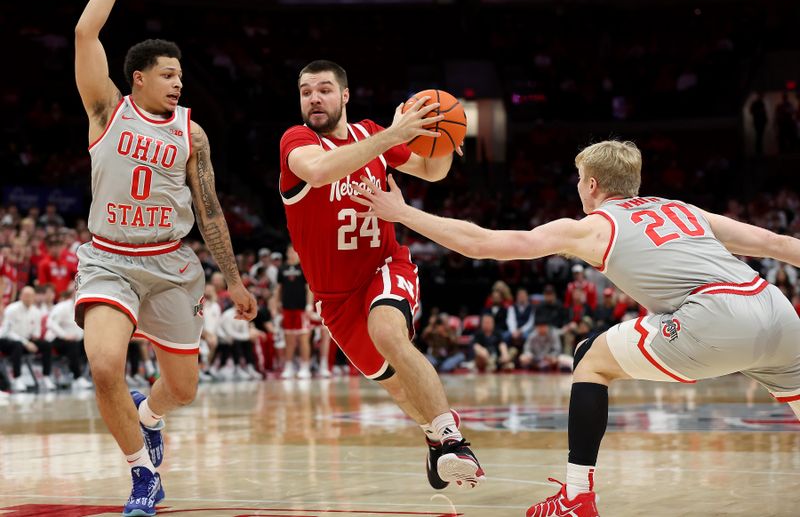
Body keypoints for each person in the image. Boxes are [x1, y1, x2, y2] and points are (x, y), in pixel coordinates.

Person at [353, 139, 800, 516]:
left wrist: (404, 214)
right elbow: (776, 244)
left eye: (579, 180)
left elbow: (484, 243)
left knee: (590, 358)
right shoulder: (683, 210)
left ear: (591, 184)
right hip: (775, 309)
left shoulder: (594, 226)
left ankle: (576, 497)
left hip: (714, 317)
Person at [74, 0, 257, 515]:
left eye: (181, 75)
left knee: (182, 389)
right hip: (109, 259)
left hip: (171, 264)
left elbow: (211, 210)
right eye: (168, 74)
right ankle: (141, 476)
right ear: (139, 77)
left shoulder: (191, 134)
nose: (178, 83)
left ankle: (149, 416)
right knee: (105, 366)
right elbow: (86, 33)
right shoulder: (107, 109)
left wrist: (236, 279)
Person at [278, 59, 483, 489]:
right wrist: (393, 135)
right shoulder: (296, 141)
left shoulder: (370, 133)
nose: (314, 98)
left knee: (387, 333)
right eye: (306, 91)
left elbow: (431, 170)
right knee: (395, 386)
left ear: (345, 95)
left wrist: (441, 139)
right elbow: (319, 171)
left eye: (324, 89)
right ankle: (434, 441)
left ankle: (453, 439)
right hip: (335, 299)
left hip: (385, 267)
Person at [270, 244, 314, 379]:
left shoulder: (304, 266)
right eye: (290, 251)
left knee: (303, 338)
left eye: (294, 251)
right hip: (287, 308)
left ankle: (305, 367)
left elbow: (309, 288)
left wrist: (309, 305)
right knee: (288, 339)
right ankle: (288, 366)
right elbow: (278, 289)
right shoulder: (282, 268)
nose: (292, 253)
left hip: (301, 309)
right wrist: (276, 303)